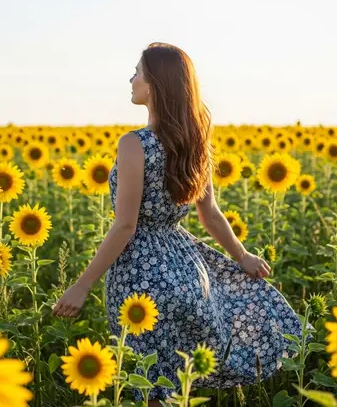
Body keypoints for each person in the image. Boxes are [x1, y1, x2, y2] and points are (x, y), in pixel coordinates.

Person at [52, 42, 307, 405]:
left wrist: (81, 286)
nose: (131, 78)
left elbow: (126, 226)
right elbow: (211, 214)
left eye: (137, 72)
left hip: (139, 276)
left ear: (154, 83)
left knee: (149, 385)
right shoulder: (192, 140)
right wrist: (242, 256)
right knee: (179, 382)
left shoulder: (134, 145)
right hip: (186, 273)